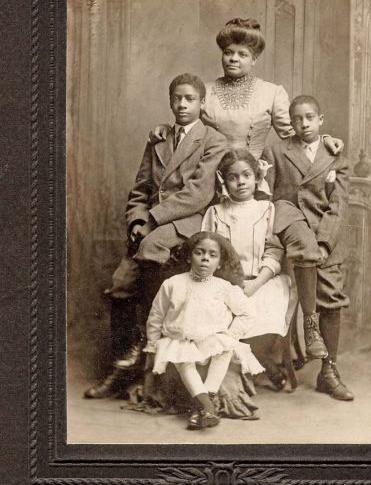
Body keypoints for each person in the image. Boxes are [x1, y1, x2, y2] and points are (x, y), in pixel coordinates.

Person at [84, 73, 228, 399]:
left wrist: (151, 219)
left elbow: (197, 194)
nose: (182, 104)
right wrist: (137, 219)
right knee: (120, 283)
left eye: (190, 98)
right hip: (151, 224)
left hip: (186, 221)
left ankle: (145, 341)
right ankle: (122, 364)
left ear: (202, 103)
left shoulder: (212, 140)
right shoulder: (159, 139)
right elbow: (141, 188)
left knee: (150, 248)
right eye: (176, 98)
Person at [264, 95, 354, 401]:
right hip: (290, 232)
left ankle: (329, 370)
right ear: (290, 123)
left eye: (309, 118)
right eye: (297, 119)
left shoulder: (335, 154)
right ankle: (275, 361)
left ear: (321, 120)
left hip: (324, 234)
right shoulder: (277, 150)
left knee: (331, 298)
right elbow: (268, 196)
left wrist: (326, 242)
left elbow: (338, 206)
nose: (303, 124)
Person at [150, 18, 343, 159]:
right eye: (228, 53)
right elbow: (185, 130)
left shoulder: (272, 93)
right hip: (206, 175)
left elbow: (296, 135)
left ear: (254, 60)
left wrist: (323, 139)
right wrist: (166, 130)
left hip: (252, 178)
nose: (233, 59)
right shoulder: (203, 91)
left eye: (242, 54)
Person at [143, 232, 264, 430]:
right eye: (200, 252)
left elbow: (248, 313)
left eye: (212, 255)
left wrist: (231, 335)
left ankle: (202, 408)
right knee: (184, 361)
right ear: (190, 256)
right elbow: (156, 316)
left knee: (225, 350)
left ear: (220, 262)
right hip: (181, 340)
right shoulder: (173, 284)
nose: (205, 258)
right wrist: (152, 343)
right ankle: (207, 407)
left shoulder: (224, 287)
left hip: (212, 340)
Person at [201, 149, 295, 389]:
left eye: (246, 175)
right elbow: (208, 251)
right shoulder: (215, 213)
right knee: (219, 310)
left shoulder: (267, 210)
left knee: (267, 305)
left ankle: (259, 357)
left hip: (261, 280)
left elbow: (274, 250)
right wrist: (228, 282)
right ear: (224, 181)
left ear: (256, 178)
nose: (240, 182)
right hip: (226, 282)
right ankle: (243, 368)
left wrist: (256, 283)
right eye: (233, 177)